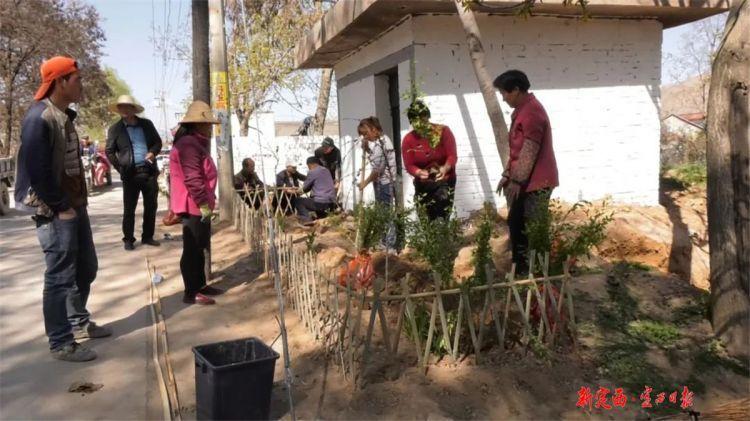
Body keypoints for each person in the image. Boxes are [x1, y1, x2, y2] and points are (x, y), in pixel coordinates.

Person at [15, 56, 111, 362]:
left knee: (86, 268)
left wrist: (74, 204)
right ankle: (61, 342)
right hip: (55, 210)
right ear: (60, 82)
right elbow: (37, 169)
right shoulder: (39, 118)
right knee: (59, 276)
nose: (81, 84)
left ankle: (78, 322)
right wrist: (59, 207)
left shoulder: (62, 115)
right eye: (77, 79)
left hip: (74, 205)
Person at [494, 70, 559, 275]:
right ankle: (522, 270)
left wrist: (516, 181)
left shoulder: (532, 112)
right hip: (526, 181)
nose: (503, 98)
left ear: (517, 90)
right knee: (516, 224)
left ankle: (540, 273)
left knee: (533, 228)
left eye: (505, 93)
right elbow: (516, 151)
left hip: (536, 182)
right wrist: (507, 175)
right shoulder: (524, 110)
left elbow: (529, 150)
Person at [169, 101, 225, 305]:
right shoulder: (188, 145)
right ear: (197, 125)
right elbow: (193, 178)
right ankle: (191, 292)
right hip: (192, 203)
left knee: (200, 246)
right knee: (192, 248)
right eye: (207, 124)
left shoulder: (195, 143)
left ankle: (200, 284)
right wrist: (203, 204)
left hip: (199, 203)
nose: (210, 128)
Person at [106, 95, 163, 250]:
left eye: (127, 106)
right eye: (121, 107)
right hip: (130, 175)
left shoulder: (146, 124)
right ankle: (129, 239)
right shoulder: (115, 129)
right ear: (118, 110)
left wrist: (152, 152)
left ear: (133, 109)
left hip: (149, 172)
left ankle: (148, 237)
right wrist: (121, 168)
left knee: (151, 206)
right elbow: (109, 151)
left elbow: (158, 142)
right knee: (129, 209)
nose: (124, 110)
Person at [401, 100, 458, 220]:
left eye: (422, 119)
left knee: (441, 218)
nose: (419, 124)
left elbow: (452, 155)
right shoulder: (408, 140)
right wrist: (418, 172)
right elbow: (409, 164)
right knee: (426, 220)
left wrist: (445, 167)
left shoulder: (442, 131)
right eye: (415, 122)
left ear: (427, 116)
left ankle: (443, 236)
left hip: (444, 181)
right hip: (423, 184)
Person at [357, 117, 398, 248]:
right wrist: (367, 149)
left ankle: (389, 246)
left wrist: (365, 182)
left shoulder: (383, 143)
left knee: (386, 214)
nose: (365, 137)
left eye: (366, 133)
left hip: (386, 184)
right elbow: (376, 160)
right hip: (381, 183)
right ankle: (384, 242)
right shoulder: (379, 143)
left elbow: (378, 170)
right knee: (382, 213)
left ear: (374, 130)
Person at [296, 156, 337, 224]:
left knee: (297, 201)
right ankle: (322, 218)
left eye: (308, 166)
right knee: (314, 198)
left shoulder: (312, 172)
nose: (308, 168)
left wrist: (295, 191)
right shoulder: (326, 170)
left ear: (310, 164)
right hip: (331, 203)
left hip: (321, 203)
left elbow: (304, 188)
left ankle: (307, 220)